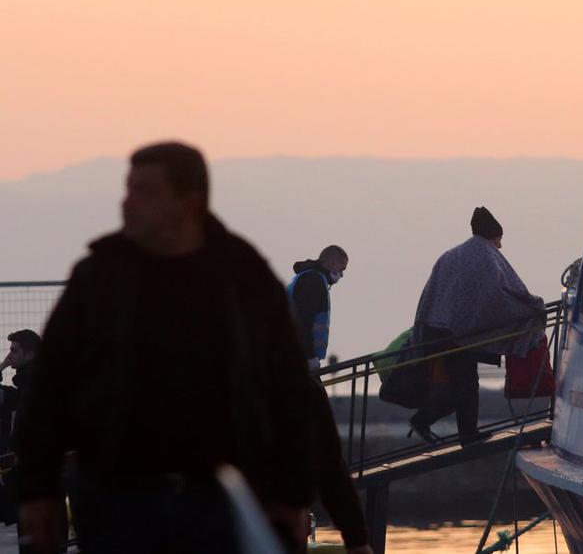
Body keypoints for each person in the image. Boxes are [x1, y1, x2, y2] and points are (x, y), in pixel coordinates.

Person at [14, 142, 371, 554]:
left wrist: (303, 504)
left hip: (213, 496)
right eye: (128, 189)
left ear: (189, 201)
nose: (127, 203)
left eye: (146, 191)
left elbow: (294, 397)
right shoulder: (99, 276)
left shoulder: (242, 277)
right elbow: (49, 387)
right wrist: (37, 491)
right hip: (115, 495)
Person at [406, 206, 544, 447]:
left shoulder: (450, 256)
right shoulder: (488, 257)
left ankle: (424, 421)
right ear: (492, 236)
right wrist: (534, 307)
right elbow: (505, 293)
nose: (500, 246)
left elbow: (430, 295)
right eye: (499, 240)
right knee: (467, 384)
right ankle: (467, 435)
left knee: (456, 386)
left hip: (434, 330)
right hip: (458, 334)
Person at [288, 245, 348, 371]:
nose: (342, 275)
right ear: (333, 263)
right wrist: (309, 357)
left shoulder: (310, 277)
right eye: (342, 268)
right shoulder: (313, 281)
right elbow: (303, 320)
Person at [0, 330, 40, 451]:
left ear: (29, 355)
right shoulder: (25, 388)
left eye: (14, 351)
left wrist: (2, 366)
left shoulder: (32, 389)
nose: (9, 356)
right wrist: (3, 365)